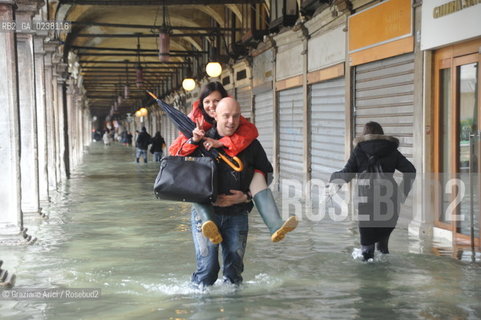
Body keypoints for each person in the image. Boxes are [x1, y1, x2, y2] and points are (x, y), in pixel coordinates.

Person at [169, 82, 297, 244]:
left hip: (237, 210)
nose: (211, 106)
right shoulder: (193, 122)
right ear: (201, 103)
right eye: (207, 102)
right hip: (205, 200)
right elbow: (177, 156)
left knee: (257, 174)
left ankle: (275, 224)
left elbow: (252, 138)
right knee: (195, 175)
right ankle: (209, 222)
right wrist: (194, 141)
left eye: (216, 101)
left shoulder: (237, 122)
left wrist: (224, 142)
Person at [181, 97, 273, 287]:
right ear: (214, 115)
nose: (231, 121)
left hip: (238, 214)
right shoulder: (200, 140)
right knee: (207, 271)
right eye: (226, 116)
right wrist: (193, 141)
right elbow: (181, 169)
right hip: (205, 217)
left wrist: (246, 196)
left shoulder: (250, 144)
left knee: (234, 272)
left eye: (236, 116)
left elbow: (267, 173)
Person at [329, 121, 416, 261]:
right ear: (381, 134)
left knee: (366, 253)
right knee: (383, 250)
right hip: (390, 202)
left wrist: (333, 180)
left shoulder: (359, 150)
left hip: (366, 203)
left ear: (364, 135)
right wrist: (401, 195)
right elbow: (410, 171)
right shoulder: (391, 150)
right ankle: (386, 280)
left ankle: (368, 282)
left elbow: (347, 173)